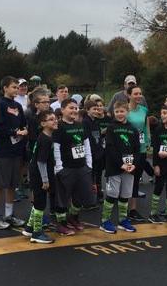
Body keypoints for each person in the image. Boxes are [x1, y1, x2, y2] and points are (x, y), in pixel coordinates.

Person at [0, 76, 28, 229]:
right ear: (5, 88)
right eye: (13, 87)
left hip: (16, 150)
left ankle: (9, 214)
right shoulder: (0, 104)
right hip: (4, 150)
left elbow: (24, 124)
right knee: (0, 184)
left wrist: (24, 131)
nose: (16, 89)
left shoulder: (18, 105)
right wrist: (14, 132)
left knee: (13, 184)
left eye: (17, 87)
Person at [52, 99, 95, 233]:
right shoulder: (58, 127)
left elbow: (86, 144)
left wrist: (89, 164)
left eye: (76, 108)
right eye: (71, 108)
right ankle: (61, 223)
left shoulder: (81, 125)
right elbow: (56, 148)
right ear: (63, 109)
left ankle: (73, 217)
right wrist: (59, 167)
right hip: (66, 168)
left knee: (81, 196)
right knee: (62, 197)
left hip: (82, 167)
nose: (74, 111)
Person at [99, 101, 139, 234]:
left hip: (129, 167)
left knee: (125, 195)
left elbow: (137, 149)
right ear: (114, 113)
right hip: (114, 168)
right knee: (112, 194)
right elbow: (110, 149)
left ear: (127, 112)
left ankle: (123, 220)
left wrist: (133, 164)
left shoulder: (133, 129)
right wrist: (120, 164)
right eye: (117, 112)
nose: (120, 114)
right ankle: (105, 221)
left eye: (122, 111)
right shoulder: (111, 128)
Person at [25, 110, 57, 243]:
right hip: (39, 175)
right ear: (43, 123)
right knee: (40, 204)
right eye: (51, 119)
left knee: (39, 201)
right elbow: (41, 161)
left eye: (55, 118)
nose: (55, 121)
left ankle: (29, 228)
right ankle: (37, 233)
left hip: (38, 173)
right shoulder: (45, 140)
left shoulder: (47, 137)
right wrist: (45, 180)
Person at [125, 86, 149, 221]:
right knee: (127, 178)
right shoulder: (125, 110)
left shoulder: (144, 110)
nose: (139, 96)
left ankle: (132, 210)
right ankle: (123, 206)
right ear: (129, 96)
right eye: (136, 94)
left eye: (140, 93)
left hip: (141, 149)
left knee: (135, 180)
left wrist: (147, 141)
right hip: (128, 150)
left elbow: (146, 127)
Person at [82, 98, 107, 204]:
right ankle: (90, 197)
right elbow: (87, 140)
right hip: (91, 154)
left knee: (98, 175)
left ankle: (99, 194)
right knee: (90, 176)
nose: (97, 111)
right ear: (87, 110)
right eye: (94, 109)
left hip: (98, 153)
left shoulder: (96, 121)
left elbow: (99, 136)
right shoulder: (85, 122)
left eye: (97, 109)